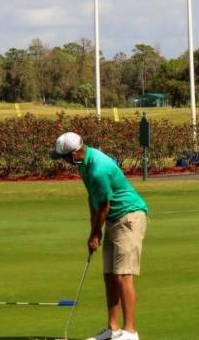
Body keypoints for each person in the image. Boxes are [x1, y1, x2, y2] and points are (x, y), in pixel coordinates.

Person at [50, 132, 148, 340]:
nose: (65, 162)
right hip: (113, 219)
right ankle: (113, 329)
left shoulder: (98, 169)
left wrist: (96, 233)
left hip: (129, 217)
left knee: (123, 275)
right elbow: (93, 199)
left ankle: (130, 332)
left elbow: (104, 205)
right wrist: (93, 232)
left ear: (76, 153)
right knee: (109, 275)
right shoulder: (85, 164)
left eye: (66, 157)